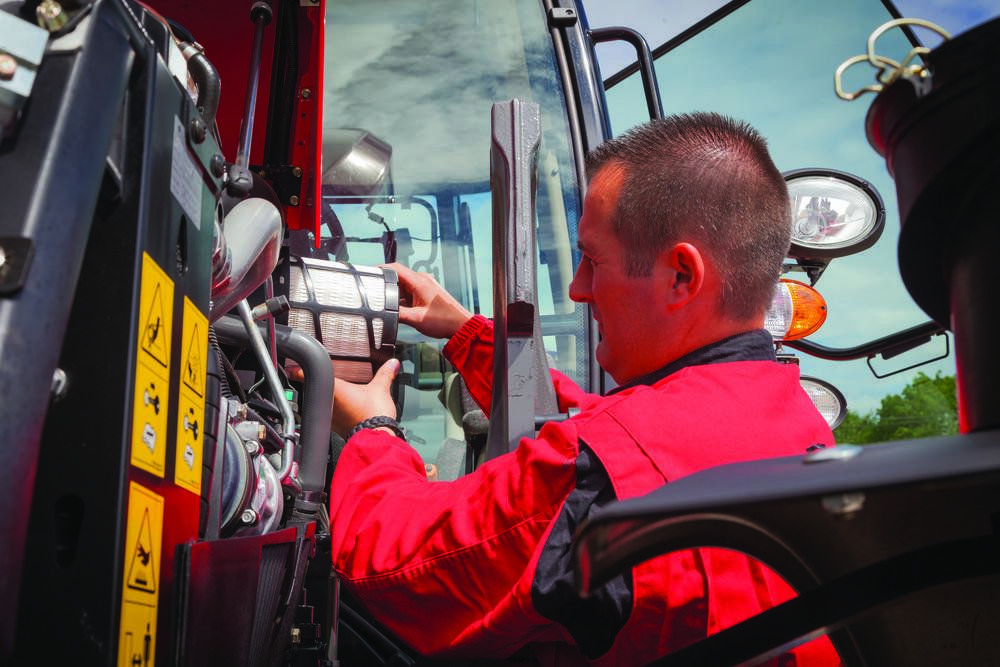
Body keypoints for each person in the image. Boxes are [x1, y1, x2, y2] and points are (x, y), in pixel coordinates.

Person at [326, 113, 840, 665]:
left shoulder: (603, 481)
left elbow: (390, 567)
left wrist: (372, 430)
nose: (577, 289)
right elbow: (604, 427)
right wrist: (465, 333)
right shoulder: (795, 423)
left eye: (593, 261)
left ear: (681, 276)